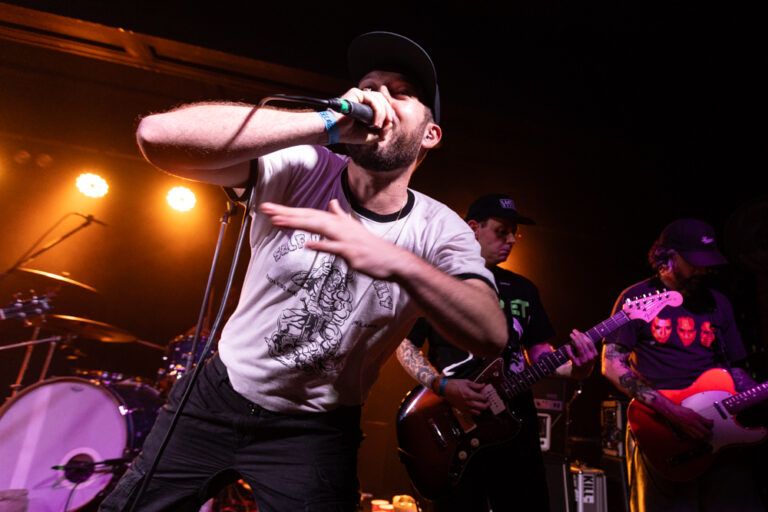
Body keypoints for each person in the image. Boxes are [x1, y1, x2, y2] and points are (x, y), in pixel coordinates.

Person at [98, 31, 508, 512]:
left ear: (430, 134)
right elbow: (155, 136)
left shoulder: (440, 229)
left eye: (400, 93)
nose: (377, 98)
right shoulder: (304, 165)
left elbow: (491, 334)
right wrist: (324, 123)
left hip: (316, 430)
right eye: (368, 87)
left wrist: (396, 262)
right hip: (218, 395)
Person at [396, 193, 598, 511]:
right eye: (501, 231)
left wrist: (578, 369)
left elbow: (540, 354)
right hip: (455, 420)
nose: (511, 240)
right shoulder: (435, 281)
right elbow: (405, 345)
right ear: (473, 228)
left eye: (514, 233)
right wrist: (443, 386)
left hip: (514, 422)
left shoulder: (524, 289)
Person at [601, 218, 767, 512]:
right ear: (667, 258)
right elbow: (612, 365)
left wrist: (757, 392)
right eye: (694, 263)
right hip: (661, 431)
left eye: (708, 263)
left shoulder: (718, 303)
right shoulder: (637, 298)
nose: (703, 270)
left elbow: (736, 370)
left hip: (718, 431)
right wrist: (673, 412)